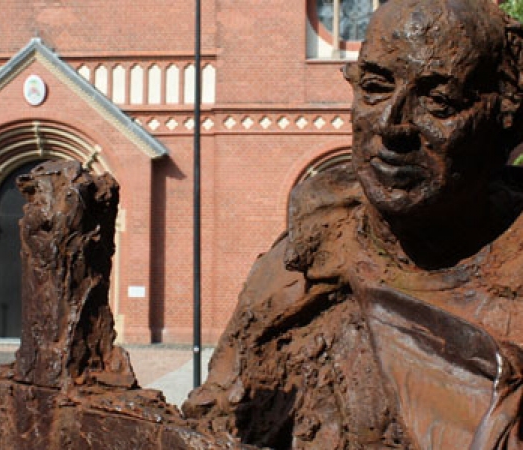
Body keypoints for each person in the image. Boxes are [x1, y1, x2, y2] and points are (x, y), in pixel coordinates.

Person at [183, 0, 523, 448]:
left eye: (439, 101)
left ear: (505, 119)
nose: (391, 124)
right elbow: (217, 423)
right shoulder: (293, 269)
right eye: (376, 87)